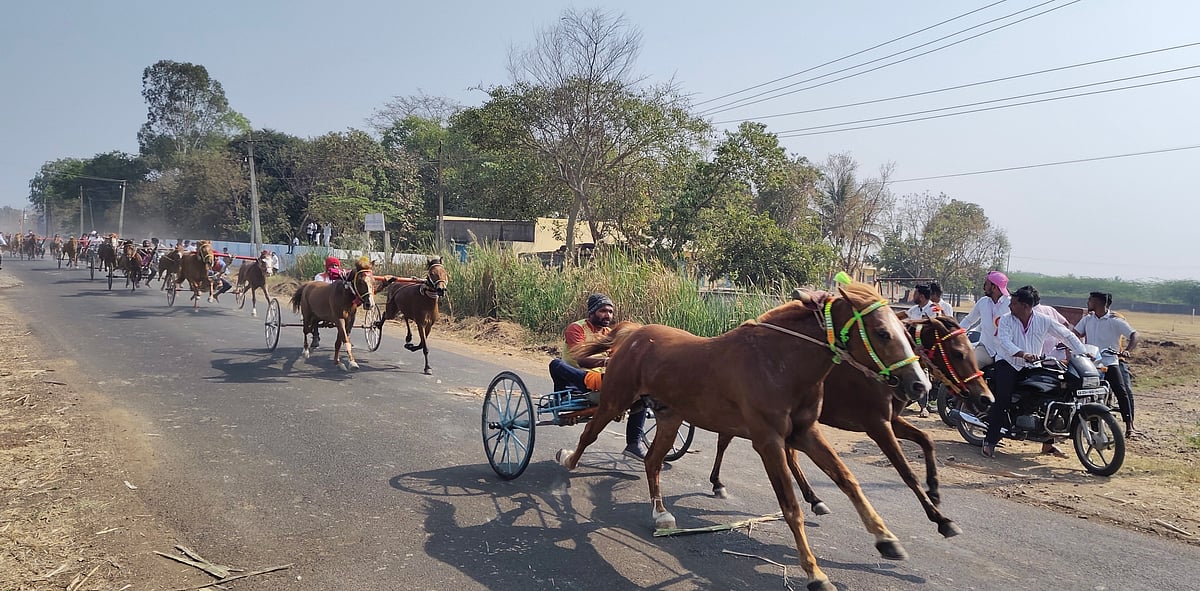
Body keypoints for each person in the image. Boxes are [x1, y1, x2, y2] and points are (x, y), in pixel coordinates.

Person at [982, 287, 1089, 458]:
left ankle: (1047, 444)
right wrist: (1023, 354)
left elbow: (1066, 335)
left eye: (1014, 303)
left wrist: (1082, 351)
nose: (1010, 306)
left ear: (1025, 306)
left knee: (1055, 394)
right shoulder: (1006, 320)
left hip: (1033, 365)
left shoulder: (1043, 320)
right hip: (1008, 363)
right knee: (1002, 399)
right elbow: (1004, 341)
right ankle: (990, 441)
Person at [548, 293, 648, 460]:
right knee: (555, 364)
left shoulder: (611, 333)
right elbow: (581, 360)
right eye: (603, 311)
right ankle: (563, 396)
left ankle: (633, 444)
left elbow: (617, 357)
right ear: (592, 312)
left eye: (610, 311)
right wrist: (610, 363)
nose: (607, 315)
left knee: (641, 393)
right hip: (578, 375)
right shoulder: (576, 329)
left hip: (604, 378)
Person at [1075, 291, 1139, 438]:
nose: (1088, 303)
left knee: (1121, 391)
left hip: (1110, 362)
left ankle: (1129, 426)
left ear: (1098, 303)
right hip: (1091, 363)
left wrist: (1128, 350)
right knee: (1085, 393)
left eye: (1090, 300)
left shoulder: (1115, 320)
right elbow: (1075, 334)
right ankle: (1092, 427)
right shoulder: (1087, 320)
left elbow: (1134, 335)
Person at [961, 271, 1012, 368]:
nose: (984, 287)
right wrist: (955, 334)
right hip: (985, 349)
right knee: (967, 368)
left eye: (986, 284)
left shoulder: (1011, 304)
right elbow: (968, 320)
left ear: (994, 287)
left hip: (1006, 352)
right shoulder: (983, 302)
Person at [1019, 285, 1073, 361]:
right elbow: (1066, 324)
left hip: (1036, 356)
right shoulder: (1050, 309)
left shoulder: (1028, 314)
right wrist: (1062, 341)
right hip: (1054, 353)